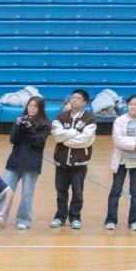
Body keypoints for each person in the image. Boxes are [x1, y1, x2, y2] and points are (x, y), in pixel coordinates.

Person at [104, 93, 136, 232]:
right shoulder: (119, 120)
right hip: (121, 160)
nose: (133, 107)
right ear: (127, 105)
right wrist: (134, 144)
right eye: (131, 104)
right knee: (115, 190)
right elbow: (117, 140)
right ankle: (111, 220)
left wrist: (128, 142)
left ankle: (134, 221)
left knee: (135, 191)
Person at [49, 88, 97, 230]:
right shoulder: (61, 116)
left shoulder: (89, 118)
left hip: (79, 163)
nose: (74, 100)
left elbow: (85, 140)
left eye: (77, 98)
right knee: (61, 191)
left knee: (78, 192)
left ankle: (75, 217)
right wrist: (74, 132)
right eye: (72, 97)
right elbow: (56, 135)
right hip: (61, 161)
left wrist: (66, 138)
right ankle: (60, 217)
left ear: (85, 102)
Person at [5, 94, 50, 230]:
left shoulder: (45, 124)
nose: (32, 108)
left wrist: (30, 129)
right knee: (5, 189)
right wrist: (19, 126)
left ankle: (24, 219)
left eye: (35, 106)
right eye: (30, 105)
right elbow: (13, 139)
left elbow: (39, 143)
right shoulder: (20, 119)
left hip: (31, 162)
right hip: (15, 160)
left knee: (27, 194)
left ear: (40, 109)